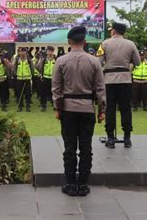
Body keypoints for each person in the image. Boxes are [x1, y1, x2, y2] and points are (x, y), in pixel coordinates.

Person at [52, 26, 106, 197]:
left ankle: (69, 183)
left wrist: (57, 108)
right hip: (87, 109)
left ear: (69, 41)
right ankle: (83, 184)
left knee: (69, 147)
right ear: (84, 41)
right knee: (85, 147)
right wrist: (101, 110)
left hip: (68, 108)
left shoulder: (61, 61)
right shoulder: (94, 61)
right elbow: (100, 88)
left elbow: (56, 88)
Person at [97, 22, 140, 148]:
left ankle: (110, 139)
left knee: (110, 109)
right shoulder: (131, 44)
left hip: (109, 80)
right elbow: (137, 62)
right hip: (125, 80)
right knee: (126, 108)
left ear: (114, 31)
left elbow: (98, 62)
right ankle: (127, 138)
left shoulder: (105, 43)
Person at [13, 47, 35, 112]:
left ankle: (28, 106)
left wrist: (32, 75)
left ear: (26, 52)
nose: (21, 53)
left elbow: (32, 68)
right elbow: (14, 68)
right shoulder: (17, 59)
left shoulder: (29, 59)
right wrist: (15, 74)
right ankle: (20, 106)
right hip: (19, 79)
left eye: (23, 51)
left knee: (27, 93)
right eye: (20, 51)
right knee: (19, 93)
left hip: (27, 79)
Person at [36, 46, 56, 112]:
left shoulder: (56, 59)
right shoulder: (43, 59)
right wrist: (40, 75)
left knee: (54, 93)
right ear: (47, 52)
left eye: (51, 51)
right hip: (45, 78)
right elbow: (38, 67)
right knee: (43, 93)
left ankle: (55, 106)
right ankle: (43, 106)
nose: (50, 52)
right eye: (48, 51)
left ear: (53, 52)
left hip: (54, 79)